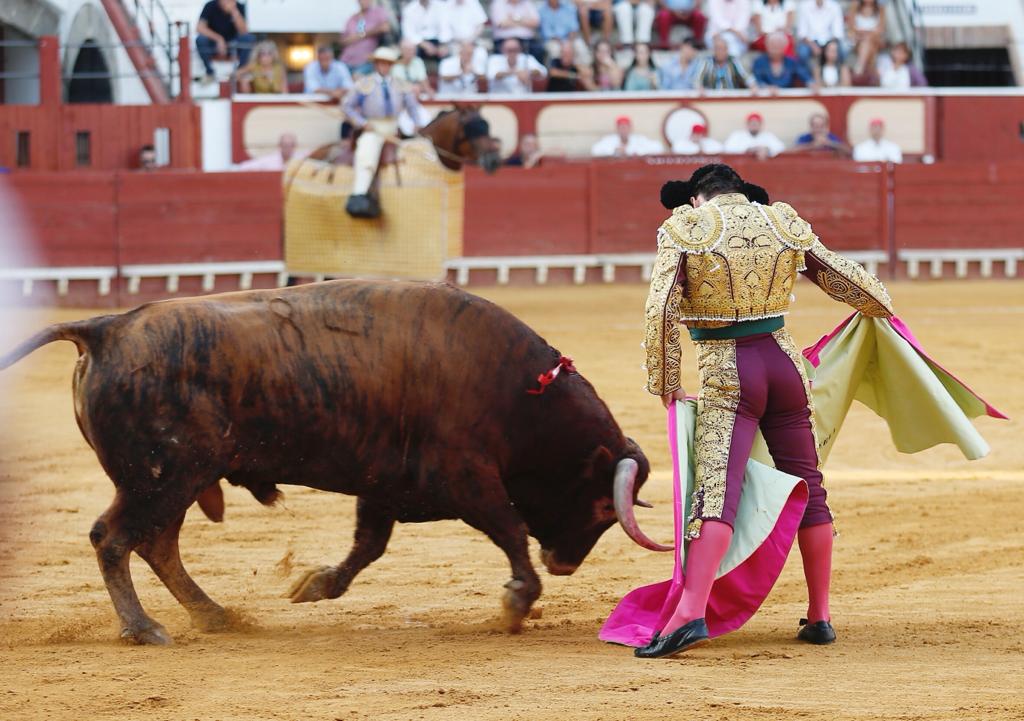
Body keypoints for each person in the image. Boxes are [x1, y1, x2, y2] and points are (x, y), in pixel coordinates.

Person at [632, 162, 895, 658]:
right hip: (786, 366)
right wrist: (877, 313)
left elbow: (660, 308)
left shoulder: (686, 227)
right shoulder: (782, 222)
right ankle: (820, 615)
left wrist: (665, 381)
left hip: (730, 371)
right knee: (810, 485)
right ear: (741, 192)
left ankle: (690, 613)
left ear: (696, 198)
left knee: (718, 490)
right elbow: (861, 289)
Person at [342, 47, 423, 218]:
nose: (385, 66)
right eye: (382, 63)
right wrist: (363, 123)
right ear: (376, 64)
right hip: (373, 127)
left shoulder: (401, 84)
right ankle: (359, 194)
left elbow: (412, 107)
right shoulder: (364, 83)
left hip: (394, 127)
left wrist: (417, 124)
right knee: (367, 150)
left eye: (388, 64)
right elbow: (347, 106)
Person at [195, 0, 255, 81]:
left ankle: (239, 72)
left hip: (233, 44)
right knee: (200, 39)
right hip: (214, 44)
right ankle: (210, 72)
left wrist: (234, 12)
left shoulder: (239, 6)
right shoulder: (210, 5)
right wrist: (219, 39)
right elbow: (199, 28)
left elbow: (244, 32)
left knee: (249, 39)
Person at [340, 0, 393, 76]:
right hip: (346, 60)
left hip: (365, 62)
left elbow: (385, 27)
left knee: (357, 78)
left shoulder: (378, 12)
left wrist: (361, 35)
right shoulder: (352, 18)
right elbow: (343, 41)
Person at [693, 35, 758, 89]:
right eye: (717, 49)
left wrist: (753, 86)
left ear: (727, 50)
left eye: (722, 49)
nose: (720, 52)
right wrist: (699, 87)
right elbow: (697, 79)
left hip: (732, 99)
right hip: (712, 99)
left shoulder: (734, 61)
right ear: (713, 50)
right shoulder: (706, 62)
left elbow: (746, 77)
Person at [401, 0, 451, 65]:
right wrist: (424, 45)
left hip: (438, 42)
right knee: (408, 45)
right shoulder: (409, 9)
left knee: (447, 51)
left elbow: (445, 28)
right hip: (419, 43)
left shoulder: (441, 6)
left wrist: (443, 44)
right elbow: (408, 33)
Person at [795, 0, 844, 66]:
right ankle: (806, 75)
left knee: (843, 51)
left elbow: (837, 32)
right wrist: (813, 45)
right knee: (803, 52)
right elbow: (802, 33)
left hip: (829, 41)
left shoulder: (835, 6)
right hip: (809, 42)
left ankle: (838, 74)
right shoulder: (804, 6)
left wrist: (831, 45)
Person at [591, 116, 665, 156]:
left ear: (630, 128)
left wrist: (634, 152)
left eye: (626, 127)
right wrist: (614, 151)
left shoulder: (638, 139)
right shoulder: (609, 140)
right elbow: (595, 150)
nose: (624, 130)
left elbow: (658, 147)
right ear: (617, 129)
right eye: (621, 127)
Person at [848, 0, 884, 78]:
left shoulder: (880, 8)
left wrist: (868, 34)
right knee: (866, 42)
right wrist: (861, 34)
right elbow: (851, 28)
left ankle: (860, 67)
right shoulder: (855, 6)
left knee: (868, 41)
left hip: (874, 41)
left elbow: (880, 29)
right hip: (858, 41)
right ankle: (869, 71)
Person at [233, 133, 301, 171]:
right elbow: (244, 167)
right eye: (285, 145)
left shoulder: (300, 161)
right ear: (279, 145)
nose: (288, 148)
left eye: (291, 145)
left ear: (295, 146)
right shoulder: (270, 160)